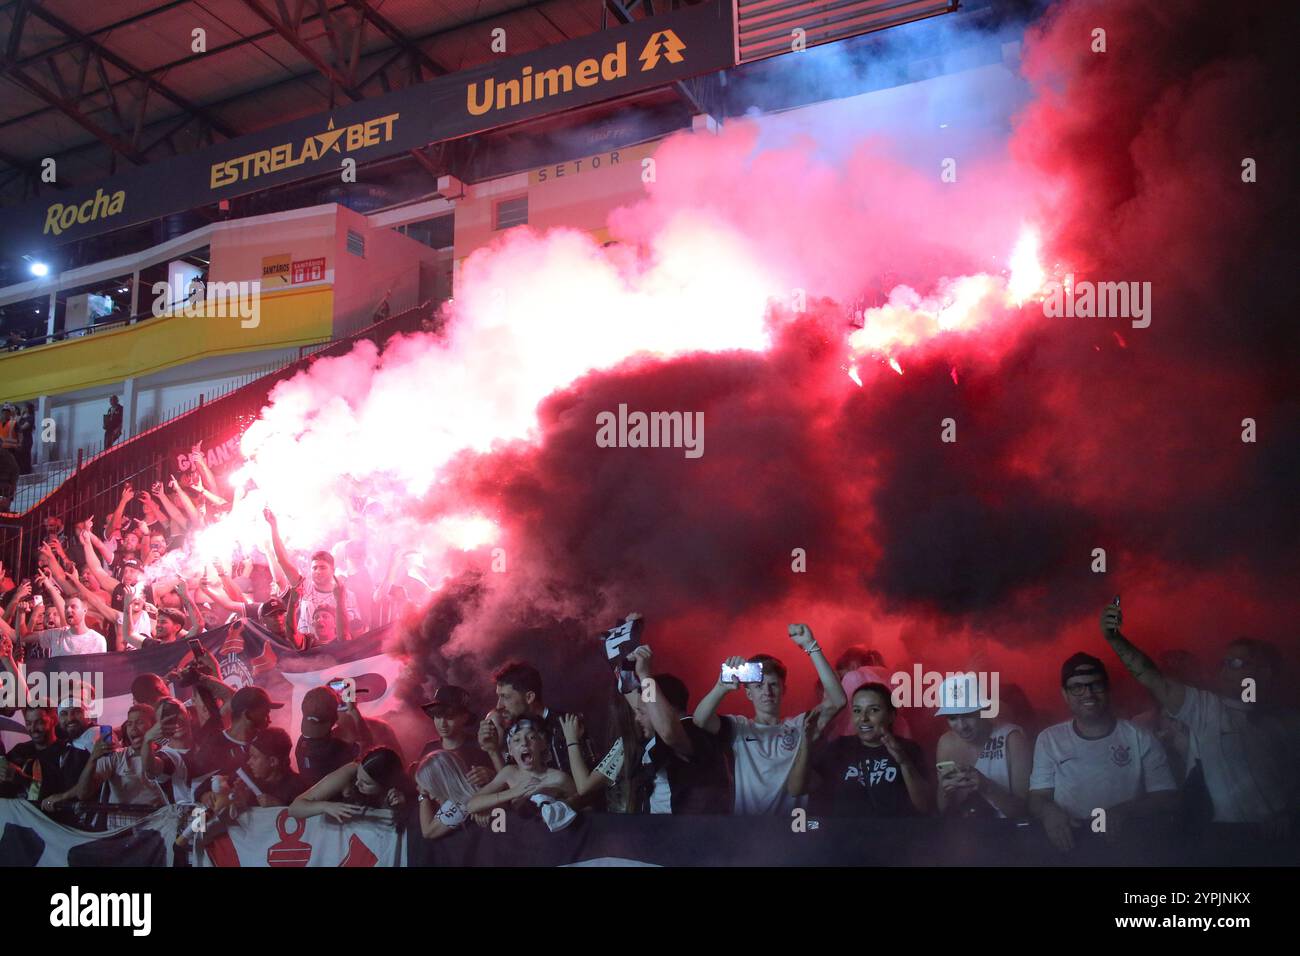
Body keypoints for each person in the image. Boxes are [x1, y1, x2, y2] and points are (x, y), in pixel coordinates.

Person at [1100, 602, 1298, 834]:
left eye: (1235, 663)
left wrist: (1291, 814)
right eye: (1223, 663)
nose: (1225, 669)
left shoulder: (1287, 721)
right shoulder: (1206, 708)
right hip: (1228, 839)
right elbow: (1153, 678)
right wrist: (1115, 639)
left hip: (1283, 841)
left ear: (1264, 671)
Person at [1029, 653, 1178, 852]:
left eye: (1095, 685)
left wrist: (1122, 811)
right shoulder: (1049, 739)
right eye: (1077, 687)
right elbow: (1037, 797)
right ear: (1065, 694)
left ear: (1107, 689)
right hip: (1070, 844)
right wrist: (1049, 812)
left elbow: (1166, 797)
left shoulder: (1140, 737)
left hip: (1129, 845)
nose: (1088, 694)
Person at [693, 624, 847, 815]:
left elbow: (838, 700)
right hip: (748, 831)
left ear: (784, 689)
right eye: (758, 686)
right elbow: (699, 719)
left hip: (790, 829)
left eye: (773, 684)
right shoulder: (739, 727)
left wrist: (811, 646)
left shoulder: (800, 725)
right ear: (748, 693)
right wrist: (721, 687)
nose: (767, 691)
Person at [564, 645, 730, 814]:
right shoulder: (656, 737)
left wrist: (645, 675)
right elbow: (634, 697)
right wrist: (623, 657)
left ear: (665, 707)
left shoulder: (690, 729)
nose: (636, 718)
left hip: (689, 835)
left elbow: (669, 732)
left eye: (642, 712)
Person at [789, 683, 930, 817]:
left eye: (873, 710)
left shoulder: (908, 749)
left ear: (891, 715)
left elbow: (925, 805)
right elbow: (796, 789)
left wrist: (904, 762)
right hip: (845, 838)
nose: (863, 718)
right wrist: (806, 743)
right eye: (857, 711)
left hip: (892, 837)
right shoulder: (838, 747)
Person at [933, 673, 1030, 819]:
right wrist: (945, 790)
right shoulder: (946, 743)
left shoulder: (1012, 738)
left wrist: (986, 786)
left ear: (984, 710)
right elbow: (943, 809)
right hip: (965, 835)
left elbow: (1025, 810)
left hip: (1009, 833)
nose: (961, 726)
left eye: (967, 715)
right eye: (952, 718)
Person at [264, 508, 361, 648]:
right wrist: (273, 527)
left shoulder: (346, 595)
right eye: (314, 568)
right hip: (307, 651)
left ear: (332, 570)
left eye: (322, 567)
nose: (317, 571)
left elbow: (354, 631)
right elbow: (283, 561)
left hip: (336, 653)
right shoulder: (304, 586)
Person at [482, 660, 594, 775]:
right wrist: (493, 750)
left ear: (529, 697)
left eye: (505, 697)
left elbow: (586, 780)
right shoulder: (512, 732)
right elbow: (513, 785)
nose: (499, 705)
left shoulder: (567, 724)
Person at [466, 717, 577, 829]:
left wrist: (565, 803)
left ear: (542, 744)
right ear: (510, 749)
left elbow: (584, 805)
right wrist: (515, 791)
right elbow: (471, 805)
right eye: (517, 740)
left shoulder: (559, 778)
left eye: (531, 737)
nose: (524, 743)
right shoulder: (509, 773)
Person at [71, 704, 168, 829]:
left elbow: (151, 769)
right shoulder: (116, 757)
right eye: (129, 724)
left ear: (153, 727)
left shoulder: (166, 755)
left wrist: (147, 742)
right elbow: (82, 793)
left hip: (156, 833)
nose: (133, 728)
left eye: (139, 723)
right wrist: (93, 758)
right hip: (120, 835)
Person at [289, 747, 413, 823]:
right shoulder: (350, 772)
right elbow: (295, 808)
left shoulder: (400, 791)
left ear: (386, 785)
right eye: (359, 777)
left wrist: (402, 807)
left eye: (366, 783)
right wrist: (326, 806)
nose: (358, 783)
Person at [416, 685, 497, 783]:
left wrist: (492, 776)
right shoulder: (429, 749)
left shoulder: (480, 745)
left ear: (464, 717)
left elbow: (506, 779)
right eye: (437, 716)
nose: (442, 723)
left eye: (449, 717)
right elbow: (421, 786)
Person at [294, 685, 363, 788]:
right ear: (334, 718)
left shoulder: (301, 742)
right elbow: (365, 754)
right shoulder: (336, 749)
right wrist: (353, 713)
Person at [414, 750, 487, 841]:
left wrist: (423, 796)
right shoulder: (470, 792)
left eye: (432, 790)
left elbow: (428, 832)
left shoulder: (463, 801)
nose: (431, 797)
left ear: (442, 783)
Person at [231, 728, 306, 809]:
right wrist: (243, 802)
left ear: (272, 761)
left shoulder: (299, 789)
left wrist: (280, 807)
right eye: (250, 756)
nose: (249, 762)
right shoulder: (250, 786)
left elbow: (308, 818)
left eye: (254, 757)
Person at [18, 595, 107, 657]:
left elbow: (100, 672)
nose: (68, 610)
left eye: (73, 607)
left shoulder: (98, 640)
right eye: (66, 607)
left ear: (85, 610)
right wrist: (21, 613)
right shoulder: (55, 635)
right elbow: (24, 637)